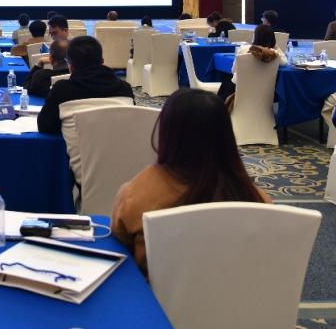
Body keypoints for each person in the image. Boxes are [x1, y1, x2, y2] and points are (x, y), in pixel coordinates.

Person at [111, 88, 271, 276]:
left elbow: (119, 248)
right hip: (238, 292)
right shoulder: (259, 202)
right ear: (227, 135)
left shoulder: (136, 195)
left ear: (167, 132)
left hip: (154, 294)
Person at [36, 36, 134, 134]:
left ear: (71, 67)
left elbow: (44, 126)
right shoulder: (125, 88)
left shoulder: (61, 90)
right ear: (102, 61)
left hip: (78, 144)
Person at [218, 25, 287, 100]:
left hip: (239, 90)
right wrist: (276, 47)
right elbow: (285, 62)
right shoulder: (274, 54)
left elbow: (233, 70)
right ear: (273, 39)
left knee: (226, 81)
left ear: (255, 37)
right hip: (263, 94)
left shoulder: (243, 49)